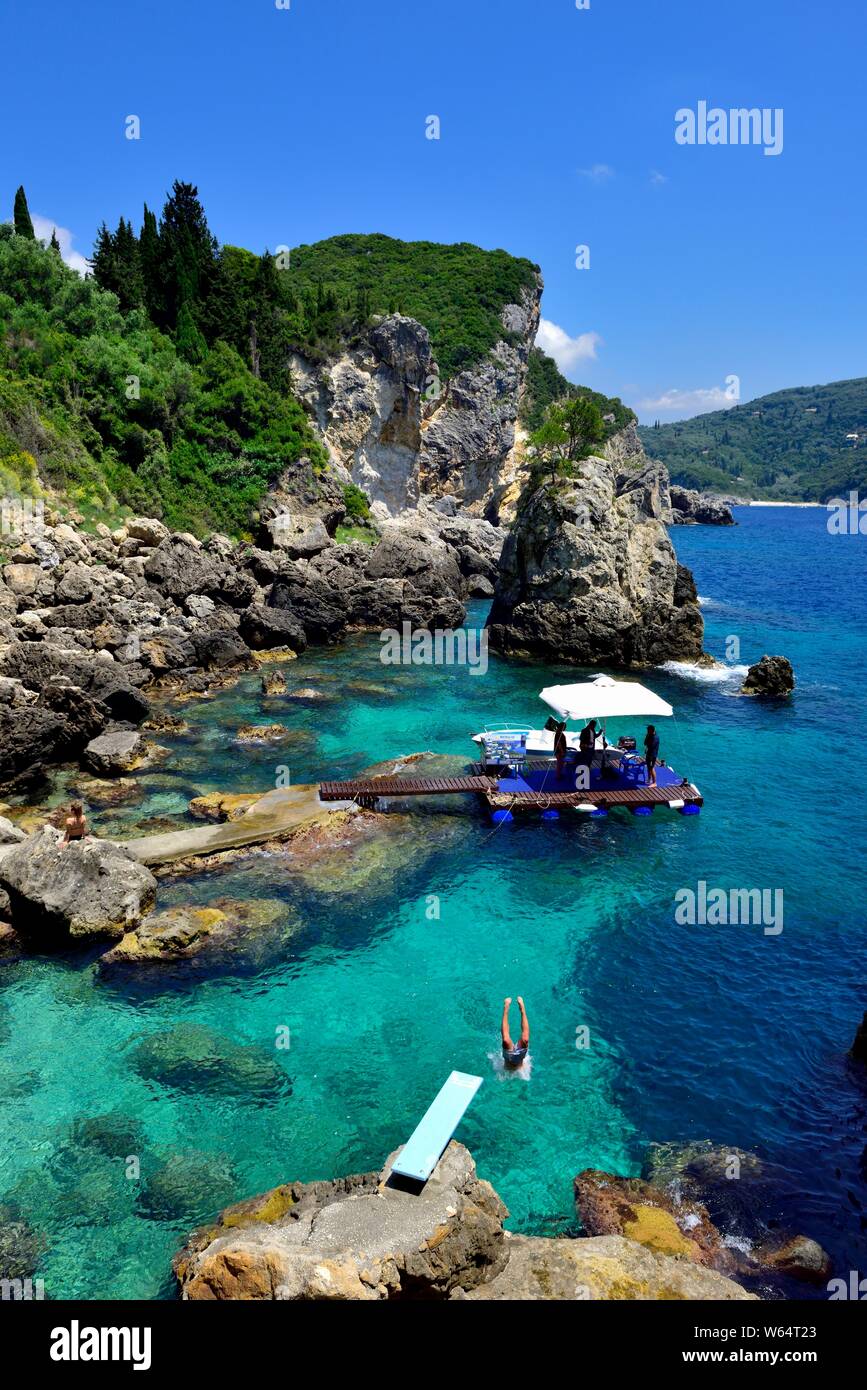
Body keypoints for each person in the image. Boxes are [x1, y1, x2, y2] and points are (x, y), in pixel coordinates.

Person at [501, 996, 530, 1070]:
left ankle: (506, 1008)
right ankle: (520, 1009)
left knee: (507, 1041)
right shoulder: (505, 1074)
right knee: (507, 1040)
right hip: (510, 1060)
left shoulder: (524, 1074)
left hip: (517, 1061)